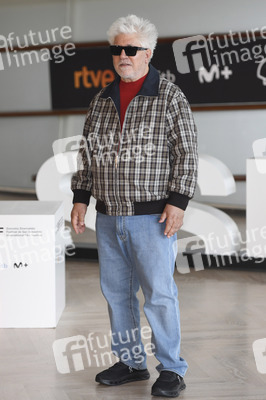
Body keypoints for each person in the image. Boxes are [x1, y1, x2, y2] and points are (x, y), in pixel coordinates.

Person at [71, 14, 198, 398]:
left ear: (148, 53)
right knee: (117, 295)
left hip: (153, 218)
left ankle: (172, 370)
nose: (123, 55)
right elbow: (87, 153)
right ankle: (130, 363)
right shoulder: (101, 99)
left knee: (159, 294)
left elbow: (187, 152)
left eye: (131, 49)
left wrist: (178, 202)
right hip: (109, 217)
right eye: (117, 49)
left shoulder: (170, 96)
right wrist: (80, 198)